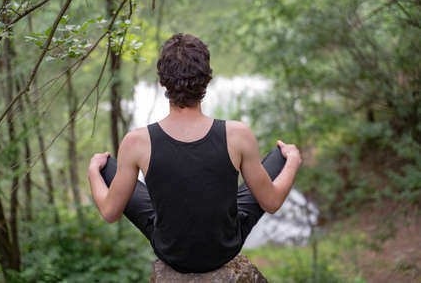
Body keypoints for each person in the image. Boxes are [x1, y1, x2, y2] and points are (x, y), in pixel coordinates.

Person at [87, 33, 302, 273]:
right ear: (206, 81)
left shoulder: (136, 142)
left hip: (171, 252)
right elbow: (270, 202)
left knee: (108, 166)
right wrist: (292, 160)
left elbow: (109, 212)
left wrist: (94, 171)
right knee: (280, 156)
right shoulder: (237, 134)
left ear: (162, 83)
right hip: (223, 249)